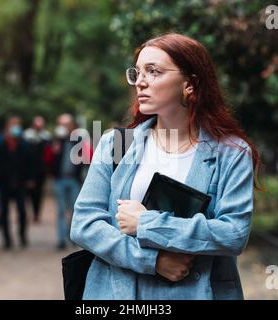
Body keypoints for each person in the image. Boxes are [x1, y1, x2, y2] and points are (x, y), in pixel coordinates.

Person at [70, 33, 261, 300]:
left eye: (153, 71)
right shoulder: (117, 143)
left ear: (190, 84)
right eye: (136, 72)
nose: (140, 82)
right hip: (117, 294)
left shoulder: (230, 153)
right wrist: (152, 260)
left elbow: (234, 233)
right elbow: (84, 224)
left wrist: (146, 223)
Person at [0, 116, 33, 250]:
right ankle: (7, 239)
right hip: (4, 182)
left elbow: (31, 162)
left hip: (20, 182)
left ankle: (22, 236)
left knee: (22, 211)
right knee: (4, 211)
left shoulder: (24, 143)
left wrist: (30, 178)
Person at [51, 114, 90, 250]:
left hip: (74, 180)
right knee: (61, 211)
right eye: (62, 124)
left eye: (67, 124)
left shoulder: (78, 140)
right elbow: (47, 160)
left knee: (74, 210)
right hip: (59, 180)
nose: (64, 127)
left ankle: (72, 236)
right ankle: (61, 240)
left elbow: (87, 159)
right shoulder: (55, 141)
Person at [23, 116, 52, 223]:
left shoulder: (46, 137)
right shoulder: (27, 136)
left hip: (41, 170)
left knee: (38, 193)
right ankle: (28, 213)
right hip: (28, 169)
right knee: (28, 193)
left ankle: (36, 213)